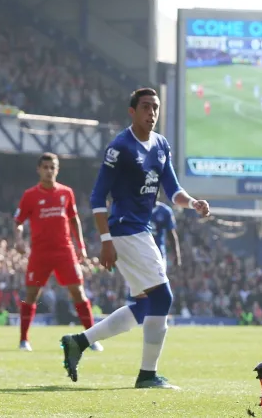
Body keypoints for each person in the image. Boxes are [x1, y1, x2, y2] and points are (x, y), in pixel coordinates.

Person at [59, 88, 210, 389]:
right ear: (132, 111)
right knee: (163, 297)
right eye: (145, 107)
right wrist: (105, 240)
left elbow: (173, 190)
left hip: (141, 230)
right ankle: (147, 375)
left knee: (144, 305)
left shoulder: (161, 145)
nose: (151, 113)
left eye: (155, 107)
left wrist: (193, 202)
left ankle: (78, 342)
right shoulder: (120, 147)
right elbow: (97, 197)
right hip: (126, 229)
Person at [14, 153, 101, 352]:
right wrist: (18, 239)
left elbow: (74, 219)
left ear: (57, 170)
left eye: (52, 167)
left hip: (64, 251)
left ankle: (91, 338)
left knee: (78, 292)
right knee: (31, 294)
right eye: (45, 167)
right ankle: (24, 340)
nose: (49, 171)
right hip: (40, 253)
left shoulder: (66, 193)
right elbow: (18, 221)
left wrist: (81, 245)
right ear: (38, 170)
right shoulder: (30, 195)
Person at [151, 201, 181, 268]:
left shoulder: (165, 211)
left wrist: (176, 255)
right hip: (139, 253)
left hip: (158, 253)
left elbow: (171, 235)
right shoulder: (136, 208)